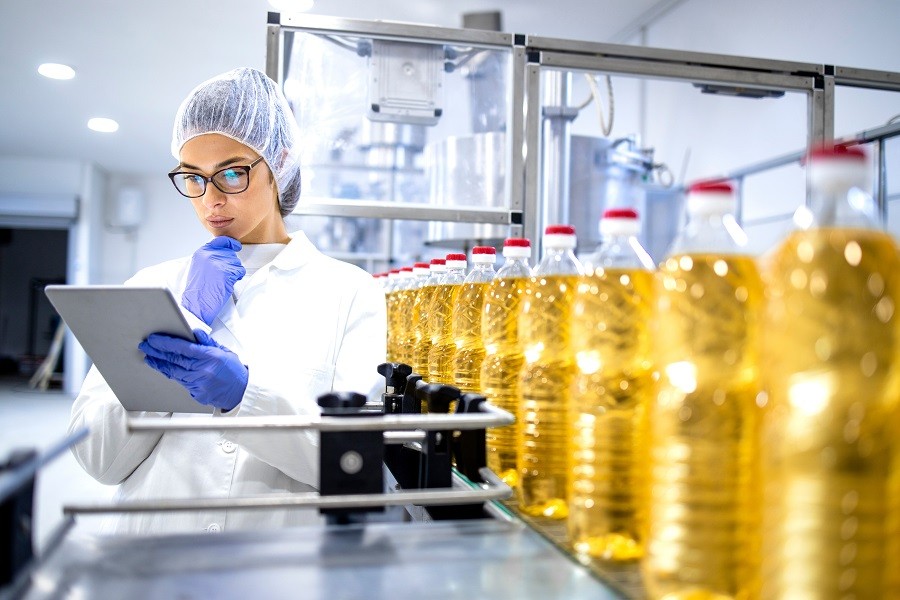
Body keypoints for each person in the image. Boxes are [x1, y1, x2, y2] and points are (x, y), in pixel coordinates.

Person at [67, 67, 387, 535]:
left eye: (232, 173)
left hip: (278, 571)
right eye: (193, 178)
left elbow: (351, 464)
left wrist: (246, 400)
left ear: (278, 160)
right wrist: (183, 319)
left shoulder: (350, 291)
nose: (210, 200)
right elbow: (99, 460)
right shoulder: (151, 285)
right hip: (156, 566)